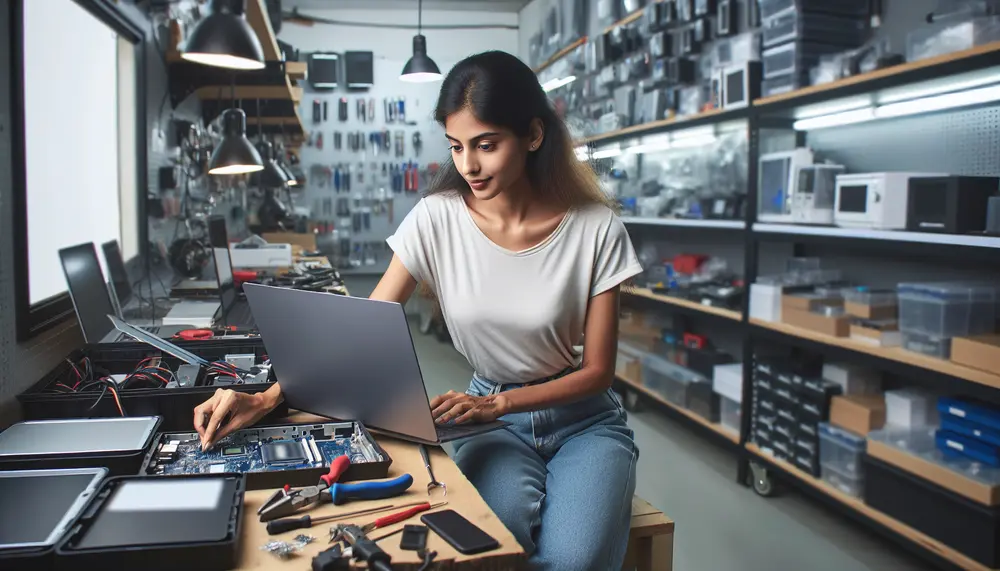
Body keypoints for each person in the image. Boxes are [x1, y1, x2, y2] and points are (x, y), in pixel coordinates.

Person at [193, 50, 644, 571]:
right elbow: (363, 329)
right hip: (488, 420)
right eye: (456, 146)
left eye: (486, 145)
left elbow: (598, 372)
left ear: (534, 136)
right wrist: (267, 398)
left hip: (582, 421)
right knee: (491, 546)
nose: (468, 165)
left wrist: (501, 406)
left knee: (576, 562)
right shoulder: (437, 218)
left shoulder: (595, 227)